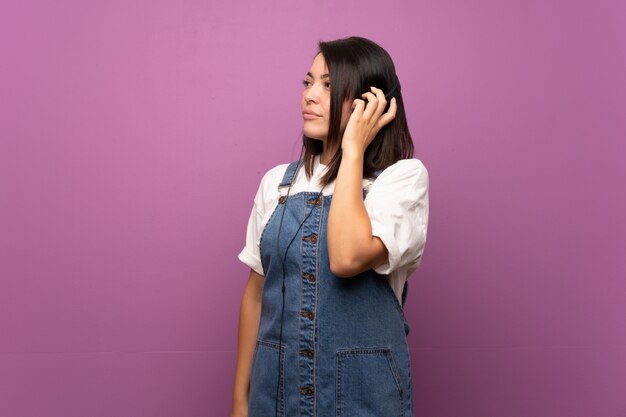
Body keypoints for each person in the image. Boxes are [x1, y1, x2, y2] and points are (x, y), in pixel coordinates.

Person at [231, 36, 429, 417]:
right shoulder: (277, 183)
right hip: (274, 400)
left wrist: (352, 149)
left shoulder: (401, 180)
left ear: (369, 103)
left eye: (328, 84)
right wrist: (240, 401)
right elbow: (256, 295)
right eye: (308, 83)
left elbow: (346, 257)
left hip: (362, 400)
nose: (310, 96)